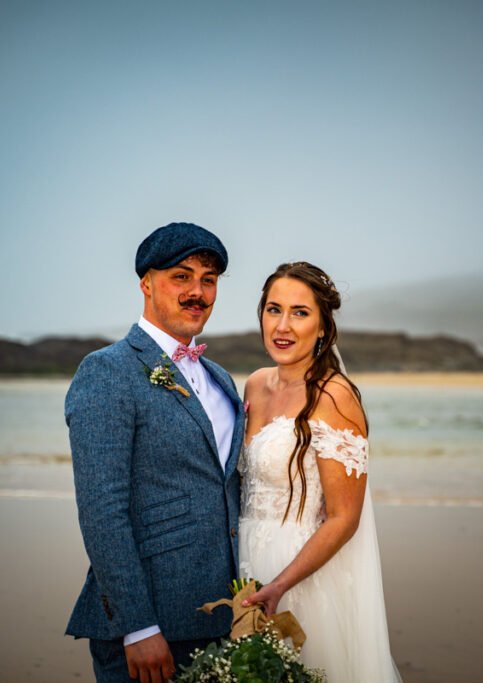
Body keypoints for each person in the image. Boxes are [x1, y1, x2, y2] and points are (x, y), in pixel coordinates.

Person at [65, 222, 244, 683]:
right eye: (181, 276)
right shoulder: (107, 371)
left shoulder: (221, 378)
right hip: (151, 627)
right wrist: (137, 625)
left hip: (223, 617)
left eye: (208, 280)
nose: (197, 292)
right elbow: (103, 509)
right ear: (146, 283)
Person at [238, 261, 402, 681]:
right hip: (245, 566)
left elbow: (345, 518)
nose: (283, 326)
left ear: (323, 327)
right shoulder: (255, 384)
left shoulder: (335, 396)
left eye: (300, 312)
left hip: (302, 575)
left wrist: (280, 584)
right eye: (274, 309)